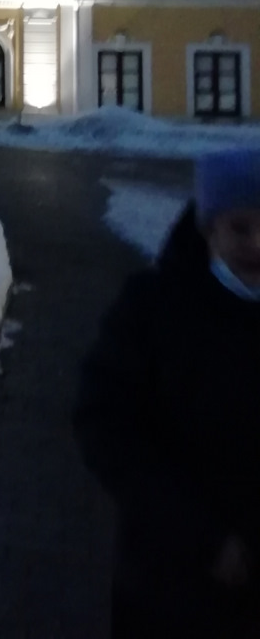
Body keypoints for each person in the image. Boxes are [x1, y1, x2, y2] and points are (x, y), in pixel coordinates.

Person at [73, 147, 260, 638]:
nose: (257, 244)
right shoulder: (154, 308)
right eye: (240, 228)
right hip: (168, 585)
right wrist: (199, 537)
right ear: (209, 228)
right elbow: (106, 424)